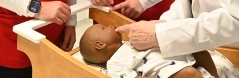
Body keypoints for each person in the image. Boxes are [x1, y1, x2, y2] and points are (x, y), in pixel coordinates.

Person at [79, 23, 218, 78]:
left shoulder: (129, 43)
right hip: (166, 72)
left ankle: (214, 75)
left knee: (200, 49)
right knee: (190, 73)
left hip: (177, 58)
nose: (110, 25)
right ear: (99, 44)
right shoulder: (114, 64)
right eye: (104, 28)